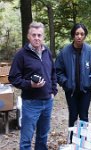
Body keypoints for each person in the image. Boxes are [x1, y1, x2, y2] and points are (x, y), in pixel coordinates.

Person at [9, 22, 57, 150]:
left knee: (42, 137)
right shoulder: (21, 55)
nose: (37, 38)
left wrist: (53, 91)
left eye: (39, 35)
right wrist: (29, 84)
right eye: (34, 35)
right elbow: (13, 78)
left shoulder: (47, 52)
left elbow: (53, 72)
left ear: (43, 37)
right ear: (28, 36)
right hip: (30, 103)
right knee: (26, 140)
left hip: (47, 102)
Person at [55, 23, 91, 129]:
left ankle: (83, 142)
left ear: (85, 35)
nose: (79, 36)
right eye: (77, 34)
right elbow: (57, 71)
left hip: (86, 90)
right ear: (73, 35)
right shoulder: (64, 52)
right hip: (71, 91)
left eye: (82, 34)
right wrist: (65, 82)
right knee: (73, 116)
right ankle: (72, 141)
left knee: (84, 116)